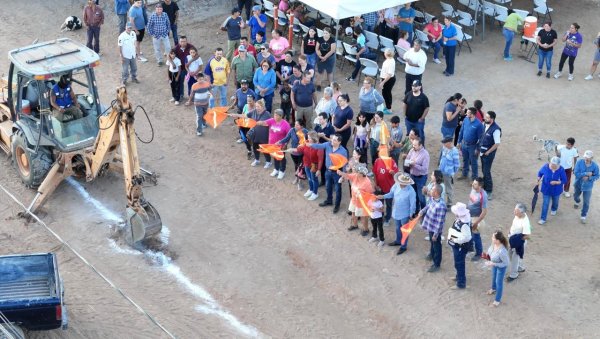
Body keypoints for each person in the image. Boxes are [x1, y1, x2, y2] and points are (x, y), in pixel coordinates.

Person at [309, 133, 348, 214]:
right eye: (332, 139)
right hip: (328, 171)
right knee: (328, 187)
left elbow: (344, 164)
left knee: (338, 189)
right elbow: (319, 146)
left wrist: (343, 176)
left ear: (339, 142)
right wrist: (311, 144)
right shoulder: (327, 144)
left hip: (337, 173)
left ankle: (337, 205)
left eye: (334, 140)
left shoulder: (343, 151)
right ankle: (329, 200)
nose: (332, 141)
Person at [379, 173, 416, 254]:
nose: (400, 183)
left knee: (404, 230)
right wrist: (383, 196)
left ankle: (403, 246)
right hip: (396, 211)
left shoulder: (411, 191)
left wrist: (411, 215)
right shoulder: (396, 185)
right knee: (397, 228)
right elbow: (391, 194)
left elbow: (413, 204)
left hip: (405, 214)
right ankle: (398, 241)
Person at [255, 109, 291, 179]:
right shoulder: (272, 120)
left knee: (281, 158)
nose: (274, 116)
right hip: (272, 145)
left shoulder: (286, 124)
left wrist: (285, 144)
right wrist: (258, 122)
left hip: (281, 146)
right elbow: (264, 123)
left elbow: (288, 136)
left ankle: (282, 171)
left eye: (276, 115)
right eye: (274, 114)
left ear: (281, 116)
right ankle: (276, 169)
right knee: (274, 156)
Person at [419, 184, 447, 272]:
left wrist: (436, 234)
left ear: (436, 193)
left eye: (432, 190)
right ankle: (431, 254)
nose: (430, 191)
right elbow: (428, 206)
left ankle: (436, 264)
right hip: (430, 226)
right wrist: (422, 211)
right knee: (432, 242)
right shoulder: (433, 199)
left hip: (435, 229)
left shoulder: (441, 206)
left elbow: (439, 222)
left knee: (436, 245)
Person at [339, 165, 373, 236]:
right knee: (353, 213)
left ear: (361, 174)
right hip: (354, 200)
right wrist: (341, 173)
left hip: (362, 203)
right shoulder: (355, 176)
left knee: (364, 217)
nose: (355, 172)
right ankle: (355, 225)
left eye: (357, 171)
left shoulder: (367, 183)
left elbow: (369, 195)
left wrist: (369, 206)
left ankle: (366, 229)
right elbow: (348, 176)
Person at [447, 202, 472, 289]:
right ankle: (458, 276)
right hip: (458, 245)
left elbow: (467, 237)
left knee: (460, 264)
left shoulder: (464, 224)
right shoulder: (461, 219)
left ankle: (461, 283)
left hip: (460, 246)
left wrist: (455, 240)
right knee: (457, 263)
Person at [537, 156, 567, 225]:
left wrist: (556, 182)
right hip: (546, 189)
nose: (553, 166)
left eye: (554, 165)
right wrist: (539, 178)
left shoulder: (561, 170)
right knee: (545, 204)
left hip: (556, 190)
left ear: (558, 165)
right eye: (551, 164)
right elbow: (540, 173)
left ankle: (554, 209)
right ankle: (543, 219)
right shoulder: (545, 167)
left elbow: (564, 180)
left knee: (555, 201)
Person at [373, 149, 399, 227]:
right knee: (380, 203)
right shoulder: (377, 161)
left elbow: (397, 176)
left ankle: (387, 218)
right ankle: (380, 215)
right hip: (379, 188)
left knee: (389, 204)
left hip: (389, 189)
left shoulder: (392, 162)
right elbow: (374, 173)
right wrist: (375, 184)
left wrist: (393, 173)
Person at [506, 203, 531, 282]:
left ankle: (514, 274)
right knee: (510, 254)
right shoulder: (518, 215)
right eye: (515, 210)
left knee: (514, 258)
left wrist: (517, 242)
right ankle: (520, 267)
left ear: (522, 212)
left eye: (516, 211)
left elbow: (527, 236)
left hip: (519, 243)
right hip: (512, 239)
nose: (514, 212)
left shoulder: (525, 222)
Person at [457, 107, 484, 180]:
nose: (466, 113)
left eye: (468, 113)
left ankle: (474, 178)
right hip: (464, 144)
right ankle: (464, 174)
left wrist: (477, 149)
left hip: (473, 146)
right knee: (465, 160)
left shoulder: (479, 124)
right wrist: (459, 142)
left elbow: (481, 138)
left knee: (473, 163)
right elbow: (462, 131)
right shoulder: (465, 120)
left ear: (472, 114)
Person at [479, 111, 501, 199]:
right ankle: (484, 187)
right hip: (482, 151)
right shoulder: (485, 124)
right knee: (484, 170)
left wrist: (488, 152)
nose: (485, 119)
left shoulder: (496, 129)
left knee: (486, 171)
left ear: (492, 119)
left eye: (487, 118)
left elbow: (497, 144)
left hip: (488, 154)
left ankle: (489, 191)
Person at [279, 119, 308, 186]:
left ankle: (299, 180)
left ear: (301, 126)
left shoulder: (305, 132)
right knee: (296, 165)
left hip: (301, 152)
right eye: (295, 124)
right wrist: (279, 142)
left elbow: (307, 142)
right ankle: (297, 178)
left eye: (297, 125)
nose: (295, 126)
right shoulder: (292, 130)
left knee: (300, 166)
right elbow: (286, 138)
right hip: (293, 153)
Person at [485, 231, 510, 307]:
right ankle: (493, 289)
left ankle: (497, 300)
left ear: (498, 240)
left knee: (498, 282)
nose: (491, 238)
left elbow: (506, 263)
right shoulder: (493, 245)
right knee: (493, 277)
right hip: (494, 264)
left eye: (493, 237)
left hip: (501, 267)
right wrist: (486, 256)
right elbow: (489, 252)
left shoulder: (502, 251)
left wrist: (493, 263)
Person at [574, 150, 599, 224]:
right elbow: (576, 173)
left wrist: (589, 178)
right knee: (575, 196)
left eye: (588, 157)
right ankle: (577, 201)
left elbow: (597, 176)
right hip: (578, 184)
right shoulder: (579, 162)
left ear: (592, 158)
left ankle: (583, 216)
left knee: (586, 202)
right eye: (585, 157)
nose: (586, 159)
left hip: (588, 187)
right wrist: (586, 173)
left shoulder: (595, 166)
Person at [297, 131, 324, 200]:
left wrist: (319, 170)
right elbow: (300, 150)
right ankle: (311, 189)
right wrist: (298, 148)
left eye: (309, 138)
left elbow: (320, 159)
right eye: (308, 137)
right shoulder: (306, 143)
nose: (308, 139)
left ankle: (315, 193)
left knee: (314, 179)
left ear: (314, 138)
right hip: (306, 163)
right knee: (309, 178)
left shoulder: (319, 147)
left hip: (314, 165)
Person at [467, 177, 488, 261]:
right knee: (469, 232)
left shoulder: (483, 196)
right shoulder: (473, 189)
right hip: (469, 215)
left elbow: (484, 212)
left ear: (480, 186)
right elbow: (471, 200)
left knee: (476, 235)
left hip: (476, 217)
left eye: (475, 184)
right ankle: (470, 247)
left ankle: (479, 253)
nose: (473, 184)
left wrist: (476, 222)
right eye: (473, 183)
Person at [402, 80, 429, 145]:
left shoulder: (423, 97)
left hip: (418, 122)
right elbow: (404, 104)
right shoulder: (408, 94)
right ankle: (410, 148)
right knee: (410, 135)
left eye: (416, 86)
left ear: (420, 87)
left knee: (420, 136)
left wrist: (422, 118)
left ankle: (421, 148)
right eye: (413, 86)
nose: (414, 87)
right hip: (408, 120)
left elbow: (427, 108)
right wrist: (404, 114)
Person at [247, 99, 272, 168]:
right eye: (256, 106)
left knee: (264, 148)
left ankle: (268, 162)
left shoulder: (267, 114)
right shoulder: (254, 111)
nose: (256, 108)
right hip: (255, 134)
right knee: (255, 147)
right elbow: (245, 115)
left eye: (258, 106)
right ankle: (257, 159)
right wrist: (235, 115)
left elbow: (270, 124)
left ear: (262, 106)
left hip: (264, 135)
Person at [406, 138, 429, 211]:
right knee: (414, 195)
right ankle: (416, 211)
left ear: (420, 145)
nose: (413, 146)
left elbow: (425, 168)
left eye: (415, 145)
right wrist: (408, 163)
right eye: (413, 144)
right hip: (412, 176)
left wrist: (414, 165)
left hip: (421, 178)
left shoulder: (425, 154)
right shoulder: (412, 150)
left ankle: (423, 212)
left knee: (421, 197)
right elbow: (407, 160)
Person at [439, 136, 460, 205]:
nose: (444, 144)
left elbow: (457, 165)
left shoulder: (454, 151)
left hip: (448, 173)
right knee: (439, 186)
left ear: (450, 142)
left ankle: (449, 203)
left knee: (448, 189)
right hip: (441, 171)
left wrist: (452, 173)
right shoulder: (444, 148)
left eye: (445, 143)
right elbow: (442, 158)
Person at [379, 49, 396, 114]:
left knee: (387, 93)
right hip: (386, 79)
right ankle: (388, 106)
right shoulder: (389, 59)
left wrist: (383, 82)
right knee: (385, 93)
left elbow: (389, 74)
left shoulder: (391, 61)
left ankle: (389, 108)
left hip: (389, 80)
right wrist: (381, 79)